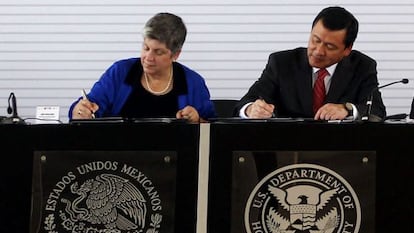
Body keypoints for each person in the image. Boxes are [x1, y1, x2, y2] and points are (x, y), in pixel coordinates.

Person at [234, 6, 386, 121]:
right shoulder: (282, 63)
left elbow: (376, 111)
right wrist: (251, 110)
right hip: (286, 149)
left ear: (347, 49)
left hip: (340, 150)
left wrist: (348, 109)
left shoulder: (363, 66)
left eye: (330, 46)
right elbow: (244, 103)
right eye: (316, 40)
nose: (318, 51)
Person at [68, 12, 216, 123]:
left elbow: (213, 128)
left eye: (158, 52)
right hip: (118, 158)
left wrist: (197, 121)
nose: (148, 57)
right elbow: (92, 105)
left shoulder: (193, 83)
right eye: (146, 48)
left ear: (175, 55)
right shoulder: (120, 72)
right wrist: (80, 111)